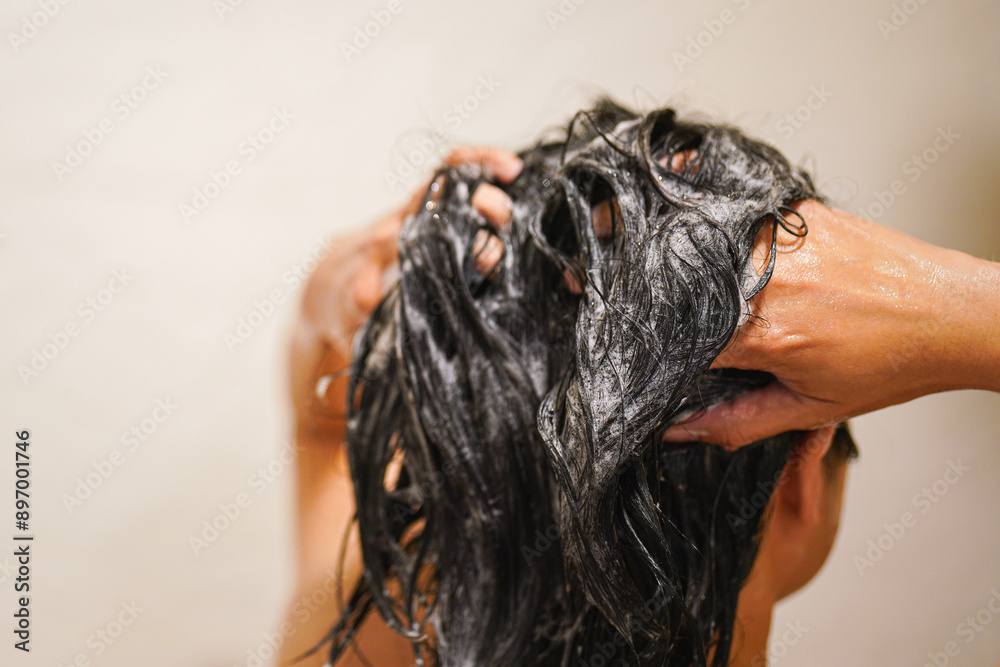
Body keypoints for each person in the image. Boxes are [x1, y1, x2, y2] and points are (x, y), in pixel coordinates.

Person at [279, 112, 1000, 665]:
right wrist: (961, 306)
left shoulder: (354, 640)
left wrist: (323, 304)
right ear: (796, 486)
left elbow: (321, 430)